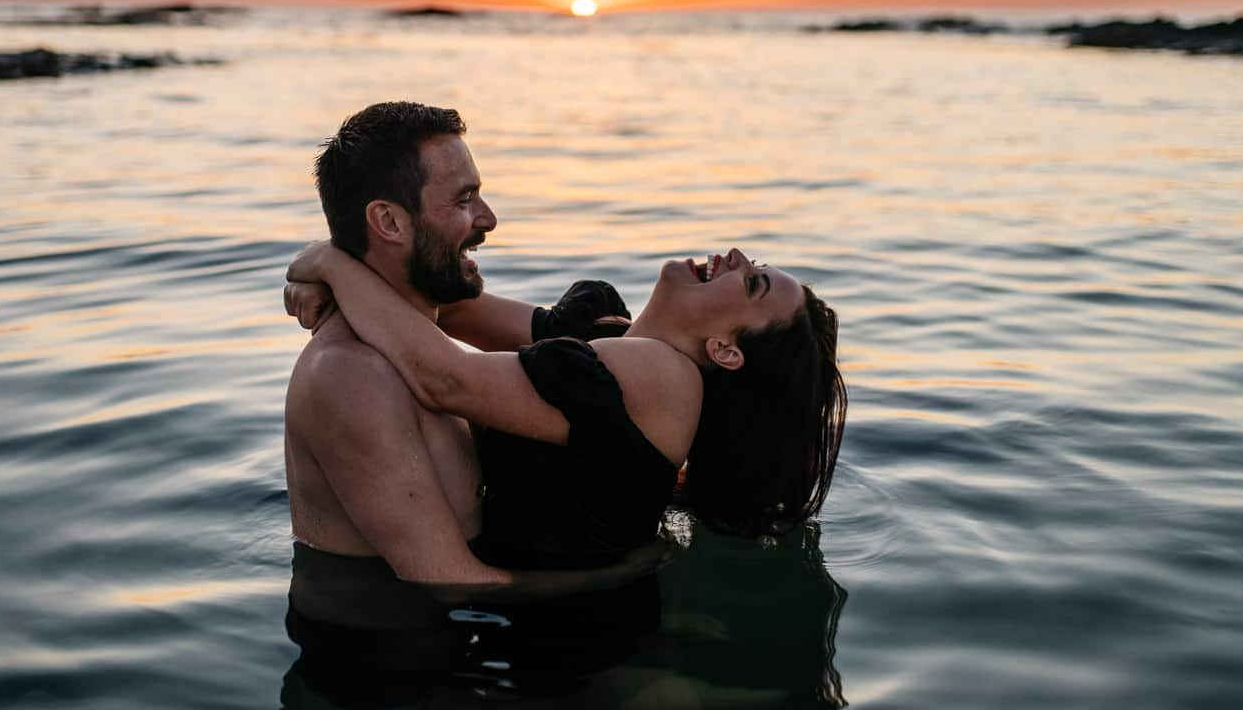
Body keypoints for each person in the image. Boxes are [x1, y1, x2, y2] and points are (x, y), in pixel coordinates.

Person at [285, 239, 847, 570]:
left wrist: (333, 265)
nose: (736, 255)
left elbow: (444, 380)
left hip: (566, 649)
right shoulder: (603, 331)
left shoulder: (664, 378)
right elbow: (444, 310)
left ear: (724, 351)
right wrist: (344, 283)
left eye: (752, 284)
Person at [285, 101, 642, 594]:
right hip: (387, 656)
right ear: (389, 222)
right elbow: (450, 582)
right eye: (464, 200)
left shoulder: (421, 332)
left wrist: (325, 266)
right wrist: (631, 573)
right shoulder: (352, 375)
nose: (488, 219)